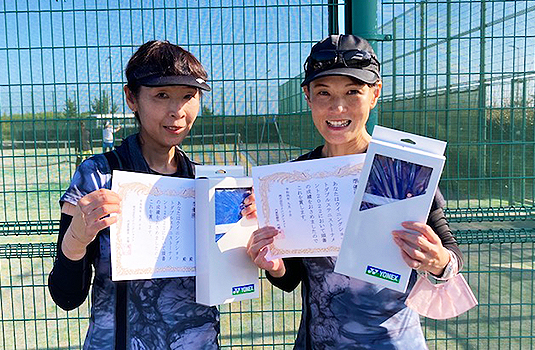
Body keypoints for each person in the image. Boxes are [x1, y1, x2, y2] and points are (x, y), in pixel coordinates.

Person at [246, 34, 463, 349]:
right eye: (324, 93)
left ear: (374, 94)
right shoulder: (293, 178)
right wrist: (274, 264)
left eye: (353, 91)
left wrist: (438, 261)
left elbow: (451, 255)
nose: (337, 107)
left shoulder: (402, 168)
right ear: (307, 96)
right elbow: (290, 277)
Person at [48, 40, 255, 349]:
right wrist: (77, 236)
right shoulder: (97, 176)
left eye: (188, 96)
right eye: (161, 96)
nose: (178, 112)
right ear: (132, 98)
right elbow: (66, 296)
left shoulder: (207, 184)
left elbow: (233, 282)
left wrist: (246, 236)